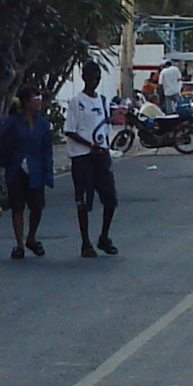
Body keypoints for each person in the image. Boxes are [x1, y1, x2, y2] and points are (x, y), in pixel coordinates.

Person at [61, 59, 119, 256]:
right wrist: (90, 145)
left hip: (101, 156)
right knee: (84, 202)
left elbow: (105, 127)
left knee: (110, 199)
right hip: (82, 157)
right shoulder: (77, 102)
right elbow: (70, 130)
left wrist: (103, 147)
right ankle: (85, 242)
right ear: (84, 78)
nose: (94, 81)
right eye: (91, 78)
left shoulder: (102, 101)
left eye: (97, 78)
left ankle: (104, 236)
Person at [0, 88, 53, 259]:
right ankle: (19, 244)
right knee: (17, 207)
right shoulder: (13, 122)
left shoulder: (43, 125)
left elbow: (47, 150)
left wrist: (48, 173)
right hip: (16, 169)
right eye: (35, 98)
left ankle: (31, 237)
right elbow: (1, 144)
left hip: (36, 170)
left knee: (37, 206)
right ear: (26, 102)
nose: (39, 101)